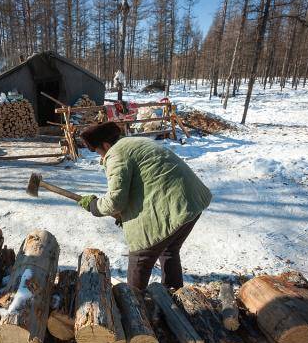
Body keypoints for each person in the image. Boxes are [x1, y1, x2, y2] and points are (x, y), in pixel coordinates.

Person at [78, 122, 212, 290]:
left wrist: (94, 206)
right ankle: (174, 300)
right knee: (169, 250)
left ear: (105, 145)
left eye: (98, 152)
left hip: (173, 204)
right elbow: (146, 183)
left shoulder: (116, 154)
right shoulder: (135, 143)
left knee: (140, 259)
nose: (100, 157)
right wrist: (125, 215)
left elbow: (115, 200)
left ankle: (134, 307)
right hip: (192, 200)